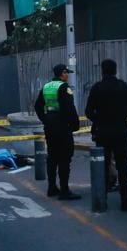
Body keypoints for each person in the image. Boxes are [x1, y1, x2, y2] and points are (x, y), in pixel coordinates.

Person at [85, 58, 127, 211]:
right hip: (120, 131)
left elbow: (88, 111)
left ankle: (102, 200)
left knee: (103, 166)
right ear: (115, 70)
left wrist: (99, 119)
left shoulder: (97, 88)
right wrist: (121, 115)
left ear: (102, 71)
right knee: (123, 166)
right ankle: (125, 200)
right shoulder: (124, 87)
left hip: (103, 132)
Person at [34, 63, 81, 201]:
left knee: (52, 157)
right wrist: (75, 125)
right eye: (67, 72)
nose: (68, 75)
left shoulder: (46, 86)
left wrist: (45, 119)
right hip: (62, 125)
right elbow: (69, 108)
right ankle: (64, 191)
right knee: (64, 157)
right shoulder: (64, 87)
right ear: (62, 73)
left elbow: (38, 106)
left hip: (50, 124)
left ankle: (51, 188)